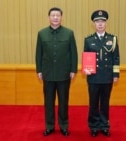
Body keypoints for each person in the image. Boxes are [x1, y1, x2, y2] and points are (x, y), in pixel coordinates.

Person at [35, 7, 78, 136]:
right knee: (48, 102)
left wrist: (73, 69)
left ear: (61, 17)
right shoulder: (41, 33)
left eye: (58, 15)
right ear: (49, 17)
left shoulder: (69, 33)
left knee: (64, 101)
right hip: (47, 73)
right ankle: (49, 126)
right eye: (53, 15)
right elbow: (38, 53)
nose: (55, 17)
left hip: (64, 73)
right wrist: (39, 70)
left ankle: (64, 126)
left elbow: (73, 53)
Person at [83, 10, 120, 137]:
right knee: (93, 102)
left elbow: (116, 58)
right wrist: (86, 69)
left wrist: (115, 75)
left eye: (102, 21)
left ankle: (104, 125)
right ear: (93, 24)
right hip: (93, 77)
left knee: (105, 102)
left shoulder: (112, 39)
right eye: (97, 21)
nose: (100, 24)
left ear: (106, 23)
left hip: (107, 77)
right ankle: (93, 126)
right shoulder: (88, 40)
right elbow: (86, 57)